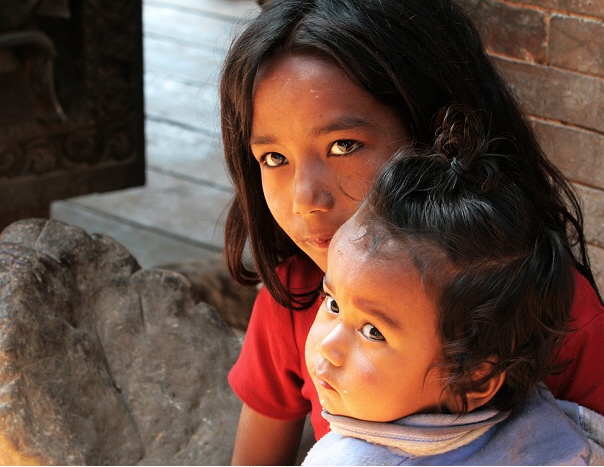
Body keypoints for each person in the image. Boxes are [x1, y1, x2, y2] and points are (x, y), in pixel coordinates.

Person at [219, 0, 604, 464]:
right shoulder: (298, 298)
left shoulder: (557, 315)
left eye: (344, 146)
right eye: (274, 158)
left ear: (435, 138)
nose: (305, 198)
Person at [301, 107, 604, 465]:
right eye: (333, 304)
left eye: (372, 331)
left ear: (474, 379)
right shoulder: (556, 435)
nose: (328, 345)